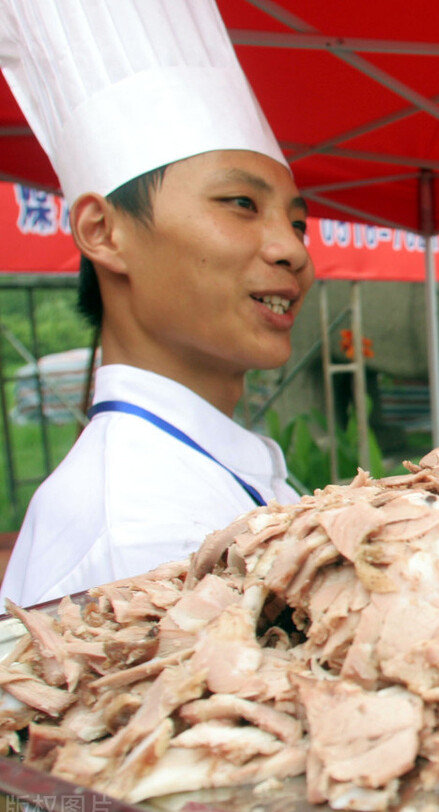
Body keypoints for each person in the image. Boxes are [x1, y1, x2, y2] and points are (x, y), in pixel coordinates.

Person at [0, 0, 313, 607]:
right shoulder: (140, 532)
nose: (292, 250)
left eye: (298, 223)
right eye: (241, 205)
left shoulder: (188, 471)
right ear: (102, 231)